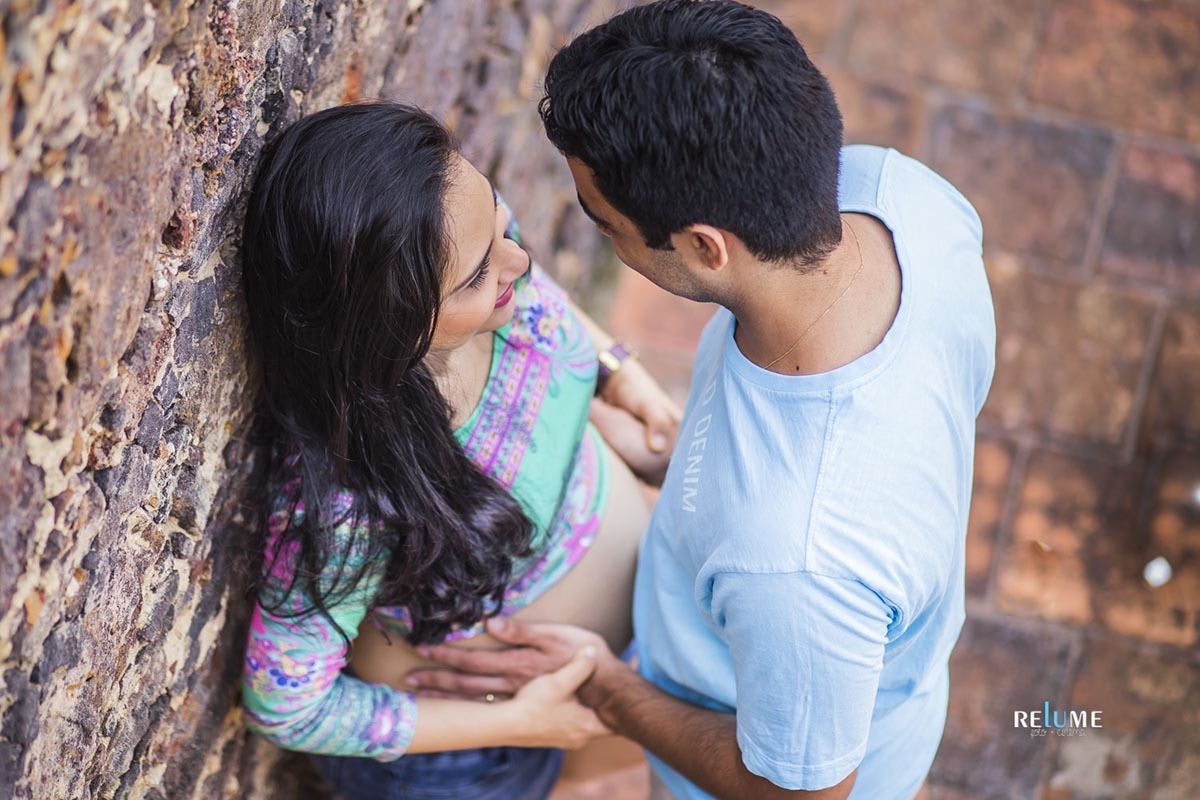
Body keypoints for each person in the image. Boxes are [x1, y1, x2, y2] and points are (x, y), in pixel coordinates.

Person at [405, 2, 997, 799]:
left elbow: (795, 793)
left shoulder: (796, 561)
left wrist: (604, 685)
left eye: (603, 221)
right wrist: (701, 460)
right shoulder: (899, 197)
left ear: (704, 247)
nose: (599, 236)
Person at [238, 101, 680, 799]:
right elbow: (285, 704)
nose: (520, 259)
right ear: (391, 320)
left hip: (608, 668)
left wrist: (623, 377)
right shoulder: (354, 494)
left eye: (501, 222)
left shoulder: (480, 260)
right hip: (475, 753)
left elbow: (536, 291)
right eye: (477, 275)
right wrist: (533, 724)